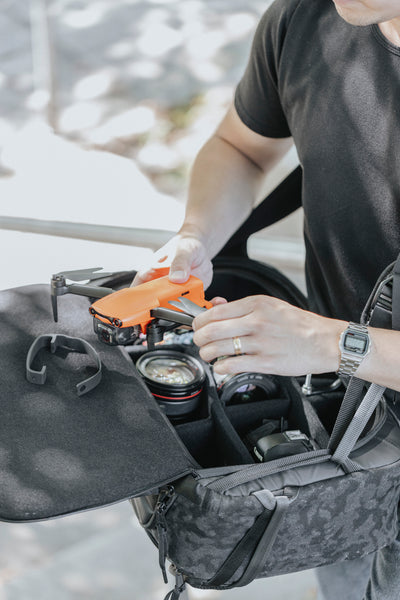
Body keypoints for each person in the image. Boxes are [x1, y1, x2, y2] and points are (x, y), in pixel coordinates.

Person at [133, 0, 400, 597]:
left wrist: (332, 342)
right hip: (336, 431)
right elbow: (242, 148)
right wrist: (197, 232)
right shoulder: (303, 18)